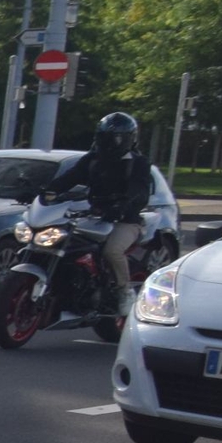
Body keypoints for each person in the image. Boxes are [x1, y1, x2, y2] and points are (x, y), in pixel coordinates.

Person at [68, 112, 154, 314]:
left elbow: (139, 192)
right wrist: (46, 191)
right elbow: (70, 177)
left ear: (127, 139)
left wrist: (122, 207)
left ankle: (125, 291)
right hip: (94, 216)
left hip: (126, 220)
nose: (108, 143)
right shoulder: (92, 159)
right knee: (65, 242)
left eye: (114, 138)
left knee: (112, 250)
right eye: (104, 137)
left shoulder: (138, 163)